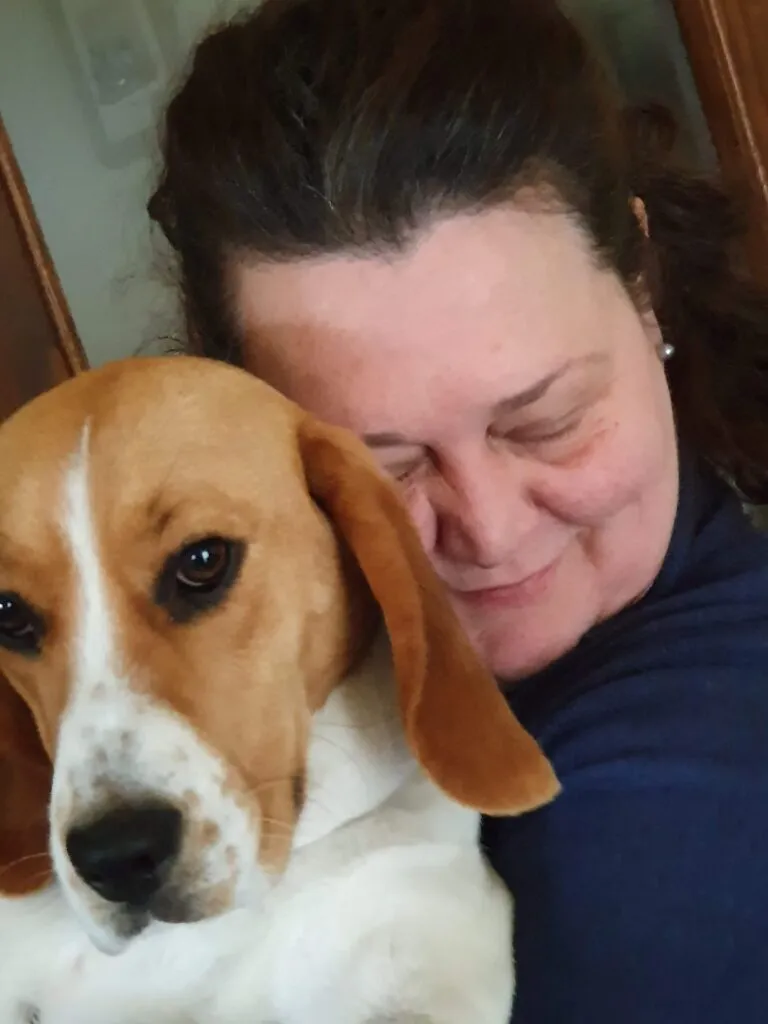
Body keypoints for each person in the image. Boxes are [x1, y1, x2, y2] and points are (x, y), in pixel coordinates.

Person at [148, 0, 768, 1019]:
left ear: (642, 281)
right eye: (382, 467)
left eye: (545, 420)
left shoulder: (648, 829)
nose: (490, 528)